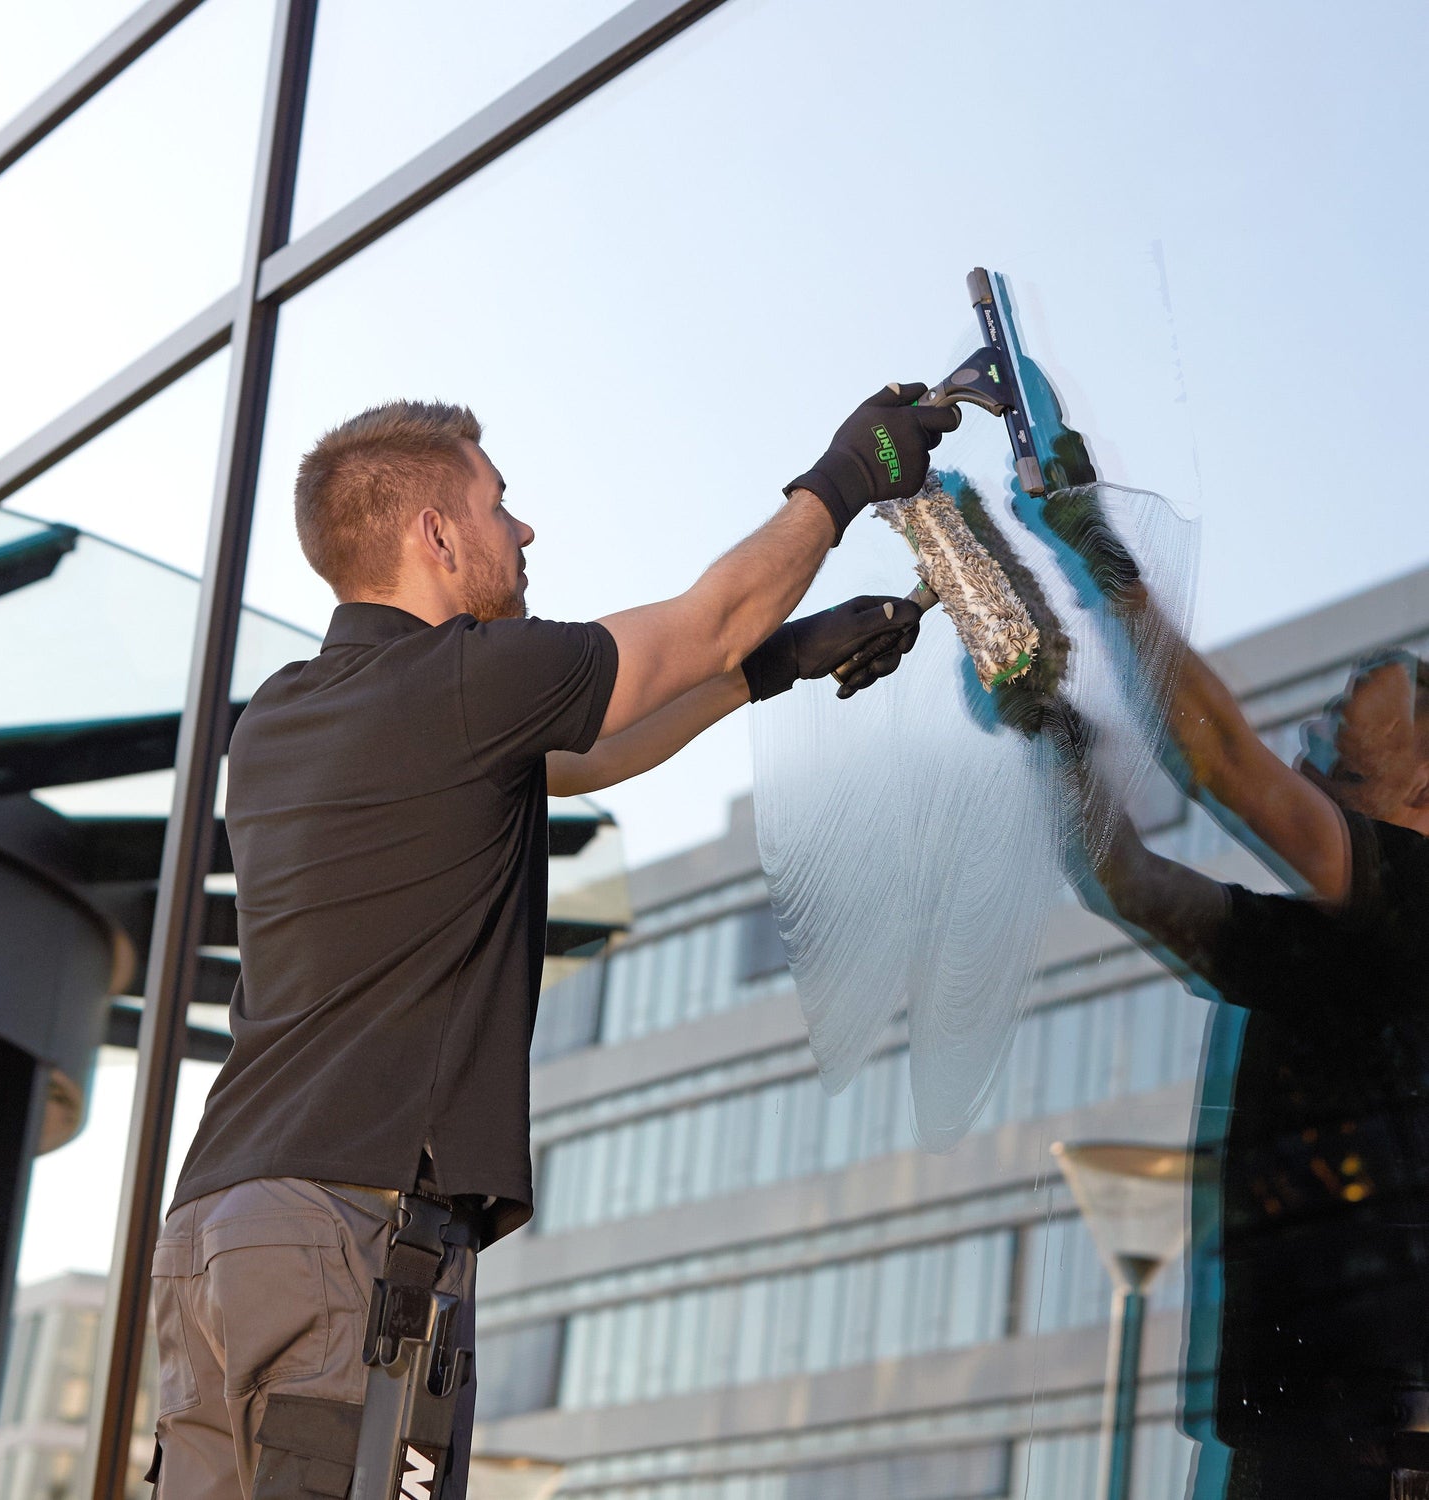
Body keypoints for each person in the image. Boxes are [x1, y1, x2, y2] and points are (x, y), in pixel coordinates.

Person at [147, 386, 958, 1499]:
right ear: (434, 535)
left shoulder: (285, 717)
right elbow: (707, 620)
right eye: (498, 505)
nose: (523, 532)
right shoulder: (469, 678)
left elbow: (577, 758)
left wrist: (772, 668)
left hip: (215, 1236)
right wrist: (847, 477)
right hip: (353, 1227)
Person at [1032, 526, 1429, 1500]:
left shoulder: (1421, 898)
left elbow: (1226, 771)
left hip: (1384, 1446)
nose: (1336, 702)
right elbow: (1124, 880)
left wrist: (1116, 581)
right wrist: (1057, 736)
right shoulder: (1334, 939)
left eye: (1374, 692)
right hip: (1299, 1429)